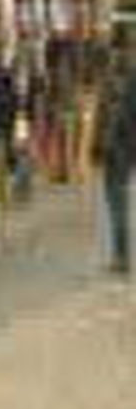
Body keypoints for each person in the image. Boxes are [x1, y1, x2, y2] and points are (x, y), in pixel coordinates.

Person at [93, 27, 136, 276]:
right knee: (118, 201)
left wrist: (97, 146)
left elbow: (105, 116)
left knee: (117, 201)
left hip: (115, 147)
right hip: (125, 146)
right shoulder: (127, 77)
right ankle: (121, 255)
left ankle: (122, 257)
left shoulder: (112, 79)